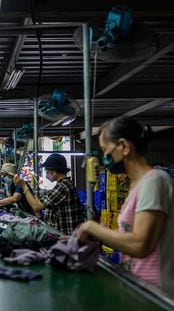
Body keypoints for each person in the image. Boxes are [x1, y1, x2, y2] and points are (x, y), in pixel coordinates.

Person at [77, 116, 174, 297]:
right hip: (141, 288)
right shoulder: (137, 184)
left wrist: (92, 227)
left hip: (158, 293)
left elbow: (140, 244)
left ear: (125, 147)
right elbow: (129, 237)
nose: (105, 158)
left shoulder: (154, 182)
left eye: (106, 151)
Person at [14, 153, 85, 235]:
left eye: (47, 170)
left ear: (54, 171)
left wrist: (24, 186)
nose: (46, 172)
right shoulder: (65, 184)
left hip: (64, 237)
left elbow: (36, 207)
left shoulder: (62, 187)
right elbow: (42, 203)